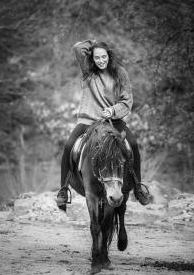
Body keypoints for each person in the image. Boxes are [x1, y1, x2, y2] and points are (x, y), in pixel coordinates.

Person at [57, 39, 152, 209]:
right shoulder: (88, 71)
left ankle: (138, 187)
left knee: (134, 144)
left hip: (113, 121)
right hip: (88, 120)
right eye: (97, 57)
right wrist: (94, 43)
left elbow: (127, 101)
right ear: (92, 59)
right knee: (69, 145)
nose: (101, 61)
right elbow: (78, 47)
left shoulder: (120, 73)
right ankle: (64, 190)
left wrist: (113, 110)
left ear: (109, 55)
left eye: (104, 56)